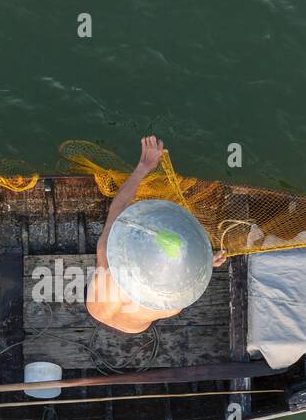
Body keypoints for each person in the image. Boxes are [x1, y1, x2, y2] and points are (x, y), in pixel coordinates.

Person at [86, 135, 226, 334]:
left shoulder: (106, 255)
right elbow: (184, 277)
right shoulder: (173, 306)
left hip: (98, 311)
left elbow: (120, 206)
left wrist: (144, 166)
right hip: (136, 327)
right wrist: (205, 262)